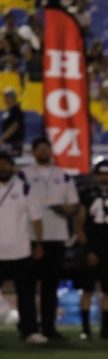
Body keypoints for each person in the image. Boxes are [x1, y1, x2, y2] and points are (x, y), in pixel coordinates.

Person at [25, 138, 79, 340]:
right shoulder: (23, 175)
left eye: (46, 149)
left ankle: (49, 326)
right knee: (28, 285)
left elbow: (74, 205)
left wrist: (65, 209)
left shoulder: (63, 176)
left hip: (56, 235)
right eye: (39, 149)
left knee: (50, 284)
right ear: (33, 152)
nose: (43, 152)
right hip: (29, 236)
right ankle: (28, 327)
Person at [75, 158, 108, 340]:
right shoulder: (87, 193)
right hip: (93, 244)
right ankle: (86, 328)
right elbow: (79, 223)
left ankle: (106, 328)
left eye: (107, 174)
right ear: (95, 175)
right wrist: (87, 248)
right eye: (101, 174)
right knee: (87, 289)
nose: (104, 177)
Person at [0, 147, 44, 344]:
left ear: (12, 167)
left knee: (26, 294)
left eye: (6, 164)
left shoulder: (24, 188)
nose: (3, 168)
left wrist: (39, 243)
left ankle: (29, 331)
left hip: (20, 250)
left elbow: (36, 218)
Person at [2, 89, 24, 154]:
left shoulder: (16, 110)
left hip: (14, 143)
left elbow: (14, 126)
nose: (4, 99)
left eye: (5, 97)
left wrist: (3, 138)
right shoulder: (9, 111)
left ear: (10, 98)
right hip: (8, 143)